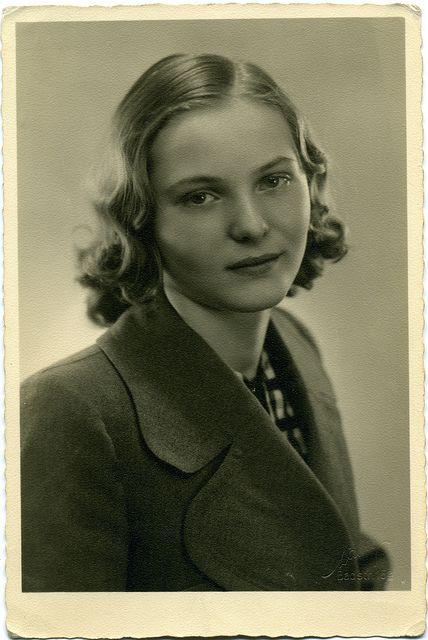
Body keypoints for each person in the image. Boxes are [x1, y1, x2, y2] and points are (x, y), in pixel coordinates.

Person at [21, 53, 389, 592]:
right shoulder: (72, 410)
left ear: (310, 182)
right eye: (200, 196)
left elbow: (335, 554)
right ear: (142, 218)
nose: (251, 225)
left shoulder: (293, 344)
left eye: (274, 180)